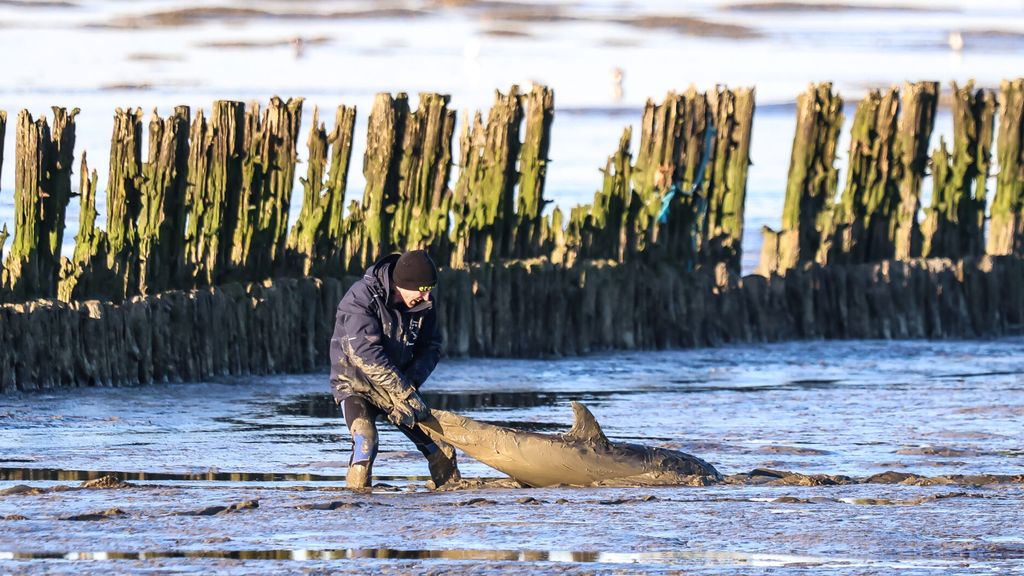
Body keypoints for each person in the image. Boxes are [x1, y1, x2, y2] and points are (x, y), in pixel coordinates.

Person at [329, 250, 460, 490]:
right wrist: (404, 391)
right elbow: (365, 355)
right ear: (401, 284)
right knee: (366, 440)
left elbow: (431, 348)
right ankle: (356, 501)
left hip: (400, 384)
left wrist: (409, 384)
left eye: (430, 289)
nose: (427, 296)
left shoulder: (424, 302)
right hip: (357, 385)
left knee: (439, 446)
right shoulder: (360, 299)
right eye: (421, 290)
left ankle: (450, 493)